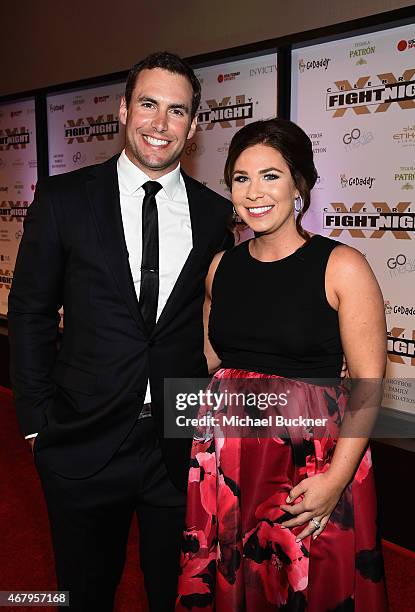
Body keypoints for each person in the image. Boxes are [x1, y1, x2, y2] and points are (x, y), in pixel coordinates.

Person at [8, 52, 233, 612]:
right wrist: (37, 425)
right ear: (123, 109)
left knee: (177, 596)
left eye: (177, 111)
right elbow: (31, 312)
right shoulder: (64, 199)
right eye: (149, 105)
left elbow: (224, 316)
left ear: (194, 125)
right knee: (83, 595)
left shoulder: (215, 215)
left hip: (178, 442)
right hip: (82, 440)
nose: (160, 123)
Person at [176, 118, 388, 610]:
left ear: (300, 184)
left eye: (271, 175)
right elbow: (211, 359)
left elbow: (367, 384)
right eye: (241, 178)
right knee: (236, 580)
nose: (254, 192)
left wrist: (335, 480)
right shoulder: (221, 266)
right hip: (227, 458)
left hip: (309, 460)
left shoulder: (342, 265)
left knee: (307, 585)